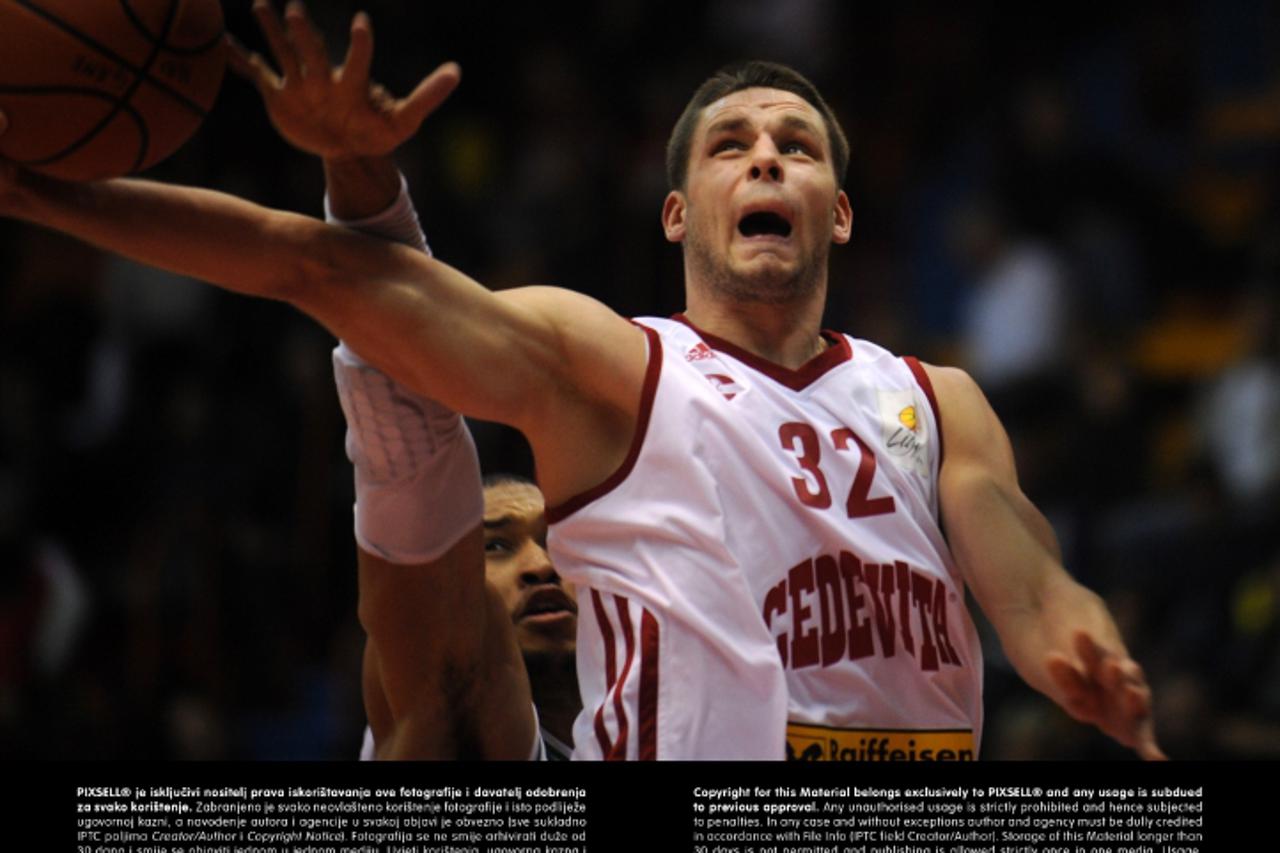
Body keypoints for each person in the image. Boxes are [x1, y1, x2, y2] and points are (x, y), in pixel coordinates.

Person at [0, 2, 1163, 760]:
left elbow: (1026, 581)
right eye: (729, 143)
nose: (764, 152)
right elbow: (321, 272)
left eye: (796, 145)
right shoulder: (615, 367)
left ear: (840, 213)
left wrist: (1082, 646)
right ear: (677, 214)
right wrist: (48, 196)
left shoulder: (936, 399)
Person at [226, 2, 578, 759]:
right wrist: (355, 168)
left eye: (559, 547)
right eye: (494, 545)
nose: (542, 566)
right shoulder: (447, 695)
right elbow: (407, 432)